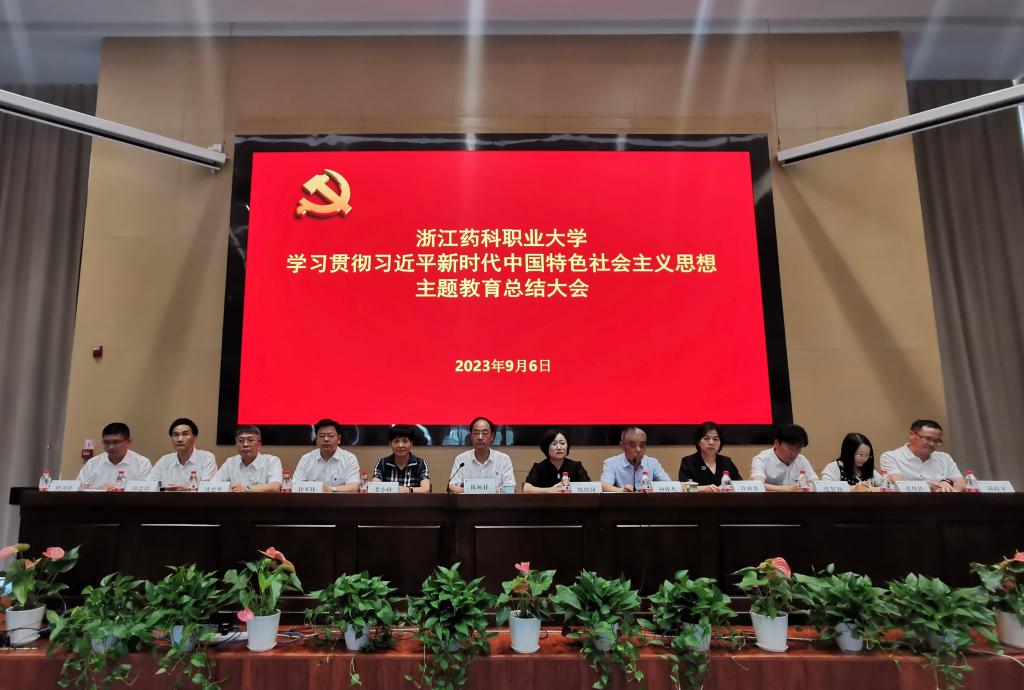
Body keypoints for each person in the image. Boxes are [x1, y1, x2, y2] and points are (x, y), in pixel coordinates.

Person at [880, 419, 964, 492]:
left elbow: (961, 485)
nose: (932, 444)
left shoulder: (945, 458)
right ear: (912, 434)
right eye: (928, 439)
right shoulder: (891, 457)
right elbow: (900, 485)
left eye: (937, 441)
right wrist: (932, 486)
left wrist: (946, 484)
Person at [76, 422, 152, 490]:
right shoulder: (93, 463)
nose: (111, 447)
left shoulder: (141, 464)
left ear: (128, 441)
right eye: (106, 442)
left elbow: (146, 492)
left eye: (116, 442)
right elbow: (78, 489)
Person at [448, 416, 515, 493]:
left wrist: (478, 490)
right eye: (476, 433)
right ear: (471, 436)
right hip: (469, 501)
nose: (480, 437)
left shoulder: (504, 459)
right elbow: (451, 486)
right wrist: (477, 491)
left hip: (496, 501)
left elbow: (510, 489)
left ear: (492, 436)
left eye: (485, 433)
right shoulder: (461, 459)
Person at [149, 418, 217, 490]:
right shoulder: (164, 461)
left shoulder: (206, 458)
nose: (180, 439)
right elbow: (149, 486)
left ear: (194, 437)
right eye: (176, 435)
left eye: (185, 434)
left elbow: (208, 489)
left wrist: (187, 490)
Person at [294, 418, 360, 493]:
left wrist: (331, 489)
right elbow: (295, 485)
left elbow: (354, 487)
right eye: (321, 436)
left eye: (330, 436)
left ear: (339, 439)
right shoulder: (306, 459)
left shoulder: (349, 458)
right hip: (312, 500)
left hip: (340, 500)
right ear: (316, 439)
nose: (326, 439)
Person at [213, 425, 283, 492]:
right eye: (241, 441)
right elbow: (213, 485)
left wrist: (246, 489)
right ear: (236, 444)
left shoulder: (271, 461)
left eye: (250, 440)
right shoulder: (230, 462)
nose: (245, 444)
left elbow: (275, 487)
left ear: (259, 445)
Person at [600, 426, 670, 492]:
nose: (638, 450)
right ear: (622, 445)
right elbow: (604, 486)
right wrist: (621, 491)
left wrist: (652, 489)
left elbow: (669, 485)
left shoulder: (652, 463)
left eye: (642, 445)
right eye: (633, 445)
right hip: (622, 500)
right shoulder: (611, 463)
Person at [750, 424, 818, 492]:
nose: (794, 453)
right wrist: (789, 489)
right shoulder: (761, 459)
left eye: (798, 449)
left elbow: (816, 484)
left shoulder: (801, 460)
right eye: (790, 448)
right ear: (776, 443)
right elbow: (757, 485)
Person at [678, 421, 742, 492]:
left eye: (715, 439)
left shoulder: (726, 462)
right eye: (706, 438)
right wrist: (702, 488)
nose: (711, 443)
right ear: (698, 442)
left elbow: (739, 485)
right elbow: (683, 487)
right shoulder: (688, 462)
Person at [523, 429, 591, 493]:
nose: (559, 447)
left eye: (562, 443)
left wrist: (570, 488)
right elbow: (526, 488)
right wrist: (549, 490)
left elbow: (589, 487)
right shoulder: (539, 468)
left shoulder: (576, 466)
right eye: (554, 444)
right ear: (546, 447)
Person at [371, 425, 431, 493]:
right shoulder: (382, 463)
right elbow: (375, 486)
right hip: (388, 500)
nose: (400, 445)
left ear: (411, 443)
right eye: (396, 441)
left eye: (405, 441)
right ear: (390, 444)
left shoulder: (420, 464)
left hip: (413, 500)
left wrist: (408, 490)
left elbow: (426, 489)